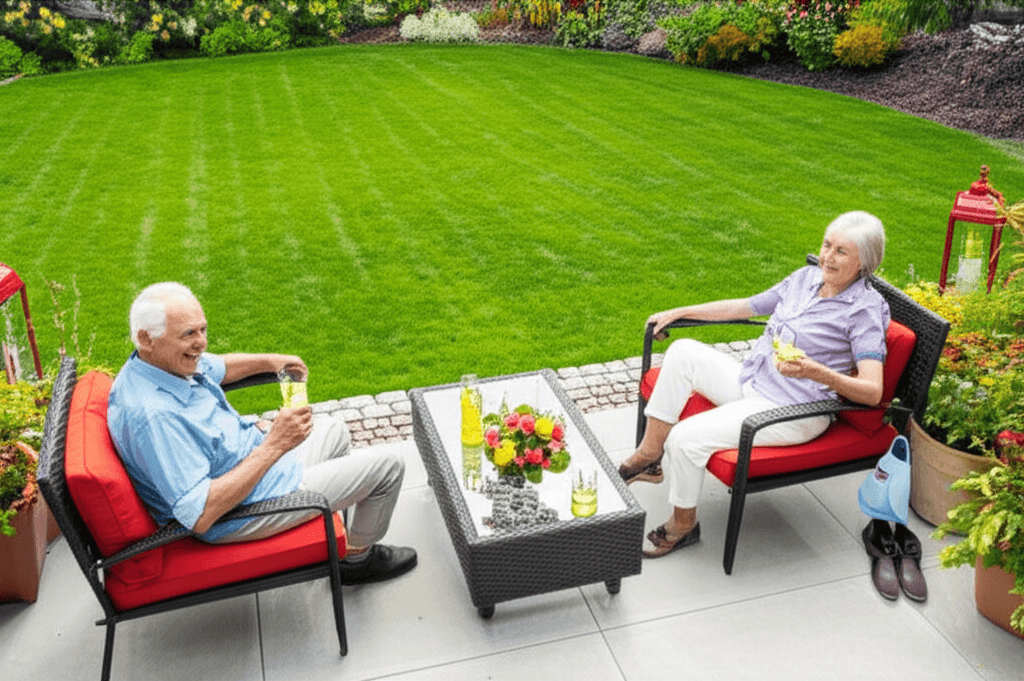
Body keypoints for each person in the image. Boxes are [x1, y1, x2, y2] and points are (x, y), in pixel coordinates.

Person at [107, 282, 416, 584]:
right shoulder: (154, 417)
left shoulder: (158, 364)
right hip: (242, 511)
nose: (201, 343)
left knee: (333, 430)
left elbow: (220, 367)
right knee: (388, 468)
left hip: (254, 466)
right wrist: (274, 446)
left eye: (203, 329)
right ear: (146, 338)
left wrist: (272, 362)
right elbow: (200, 514)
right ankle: (356, 560)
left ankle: (331, 521)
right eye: (189, 334)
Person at [621, 211, 890, 558]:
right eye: (826, 244)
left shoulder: (865, 310)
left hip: (795, 409)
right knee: (683, 351)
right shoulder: (805, 279)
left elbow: (873, 391)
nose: (827, 257)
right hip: (755, 379)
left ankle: (684, 524)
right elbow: (746, 306)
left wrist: (816, 372)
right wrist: (680, 311)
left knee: (686, 438)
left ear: (864, 263)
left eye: (841, 251)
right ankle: (649, 456)